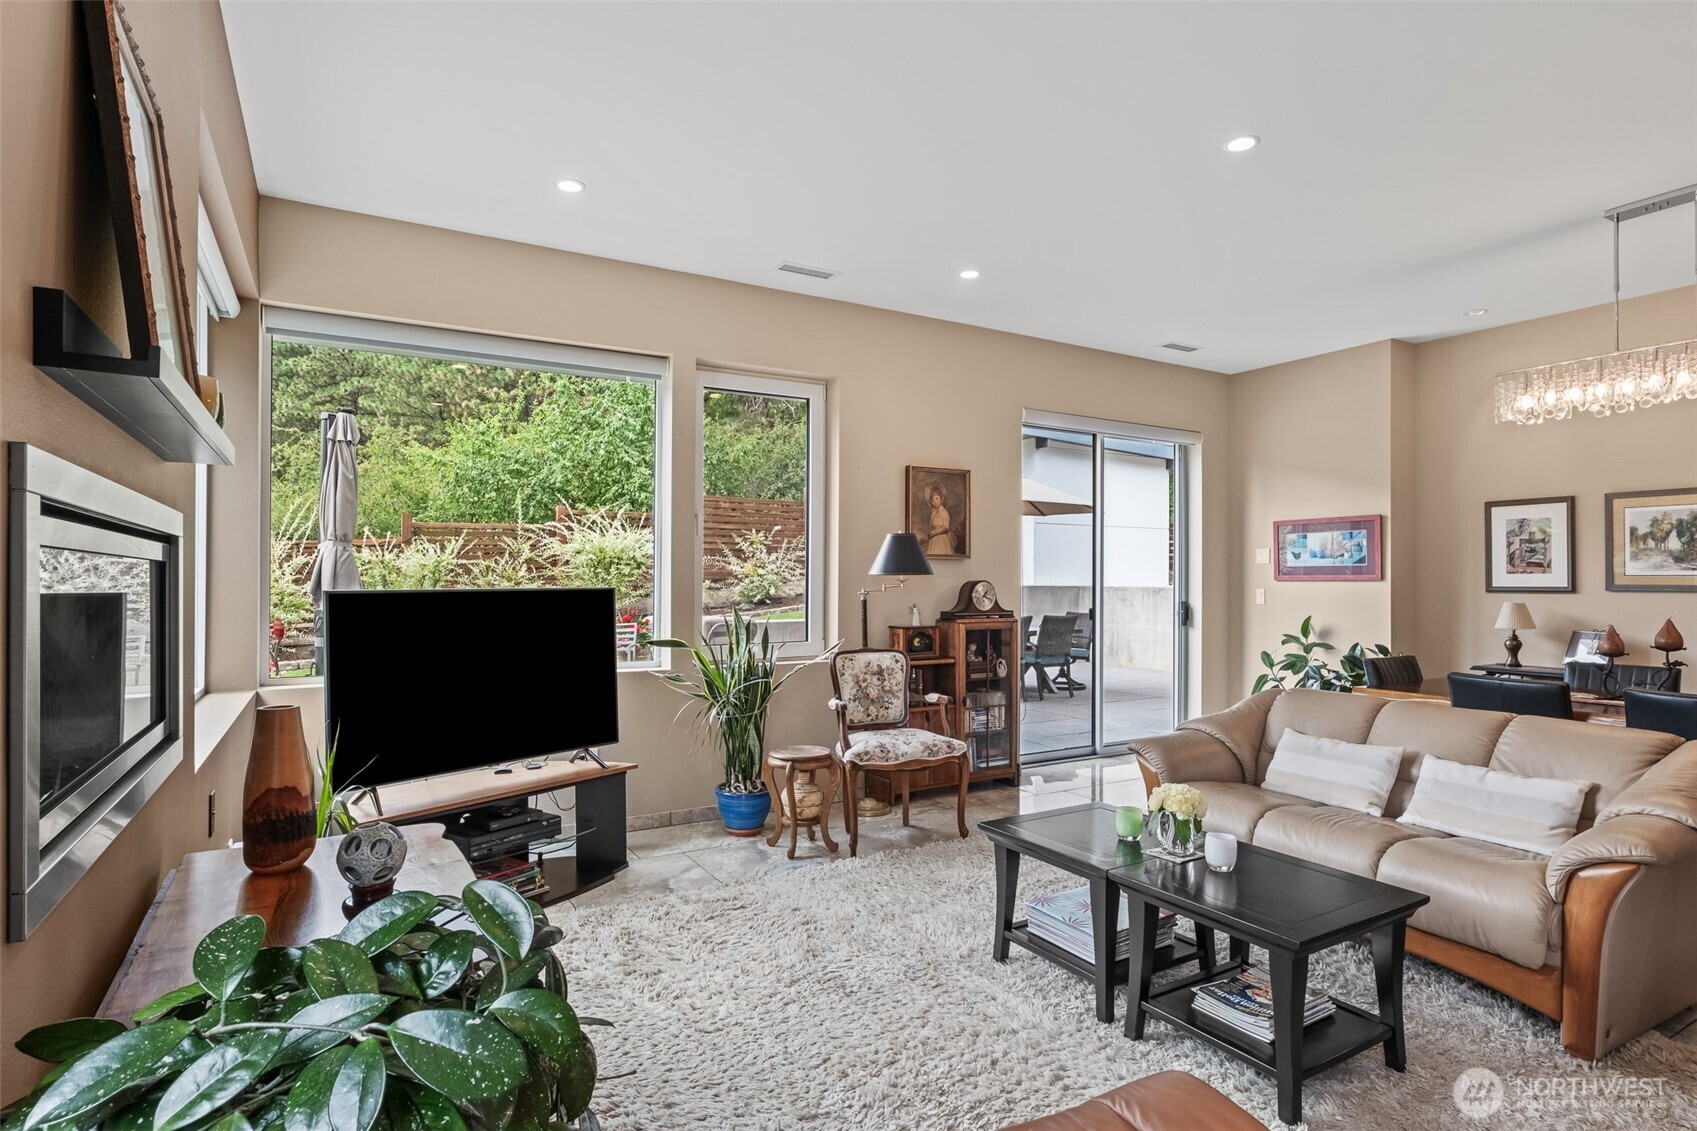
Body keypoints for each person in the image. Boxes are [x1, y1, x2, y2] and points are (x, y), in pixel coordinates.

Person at [923, 487, 955, 555]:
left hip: (941, 540)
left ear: (941, 499)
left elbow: (946, 527)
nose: (935, 501)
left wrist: (934, 533)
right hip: (932, 540)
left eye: (937, 498)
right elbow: (930, 526)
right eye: (933, 500)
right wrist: (929, 532)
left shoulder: (944, 513)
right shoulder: (933, 514)